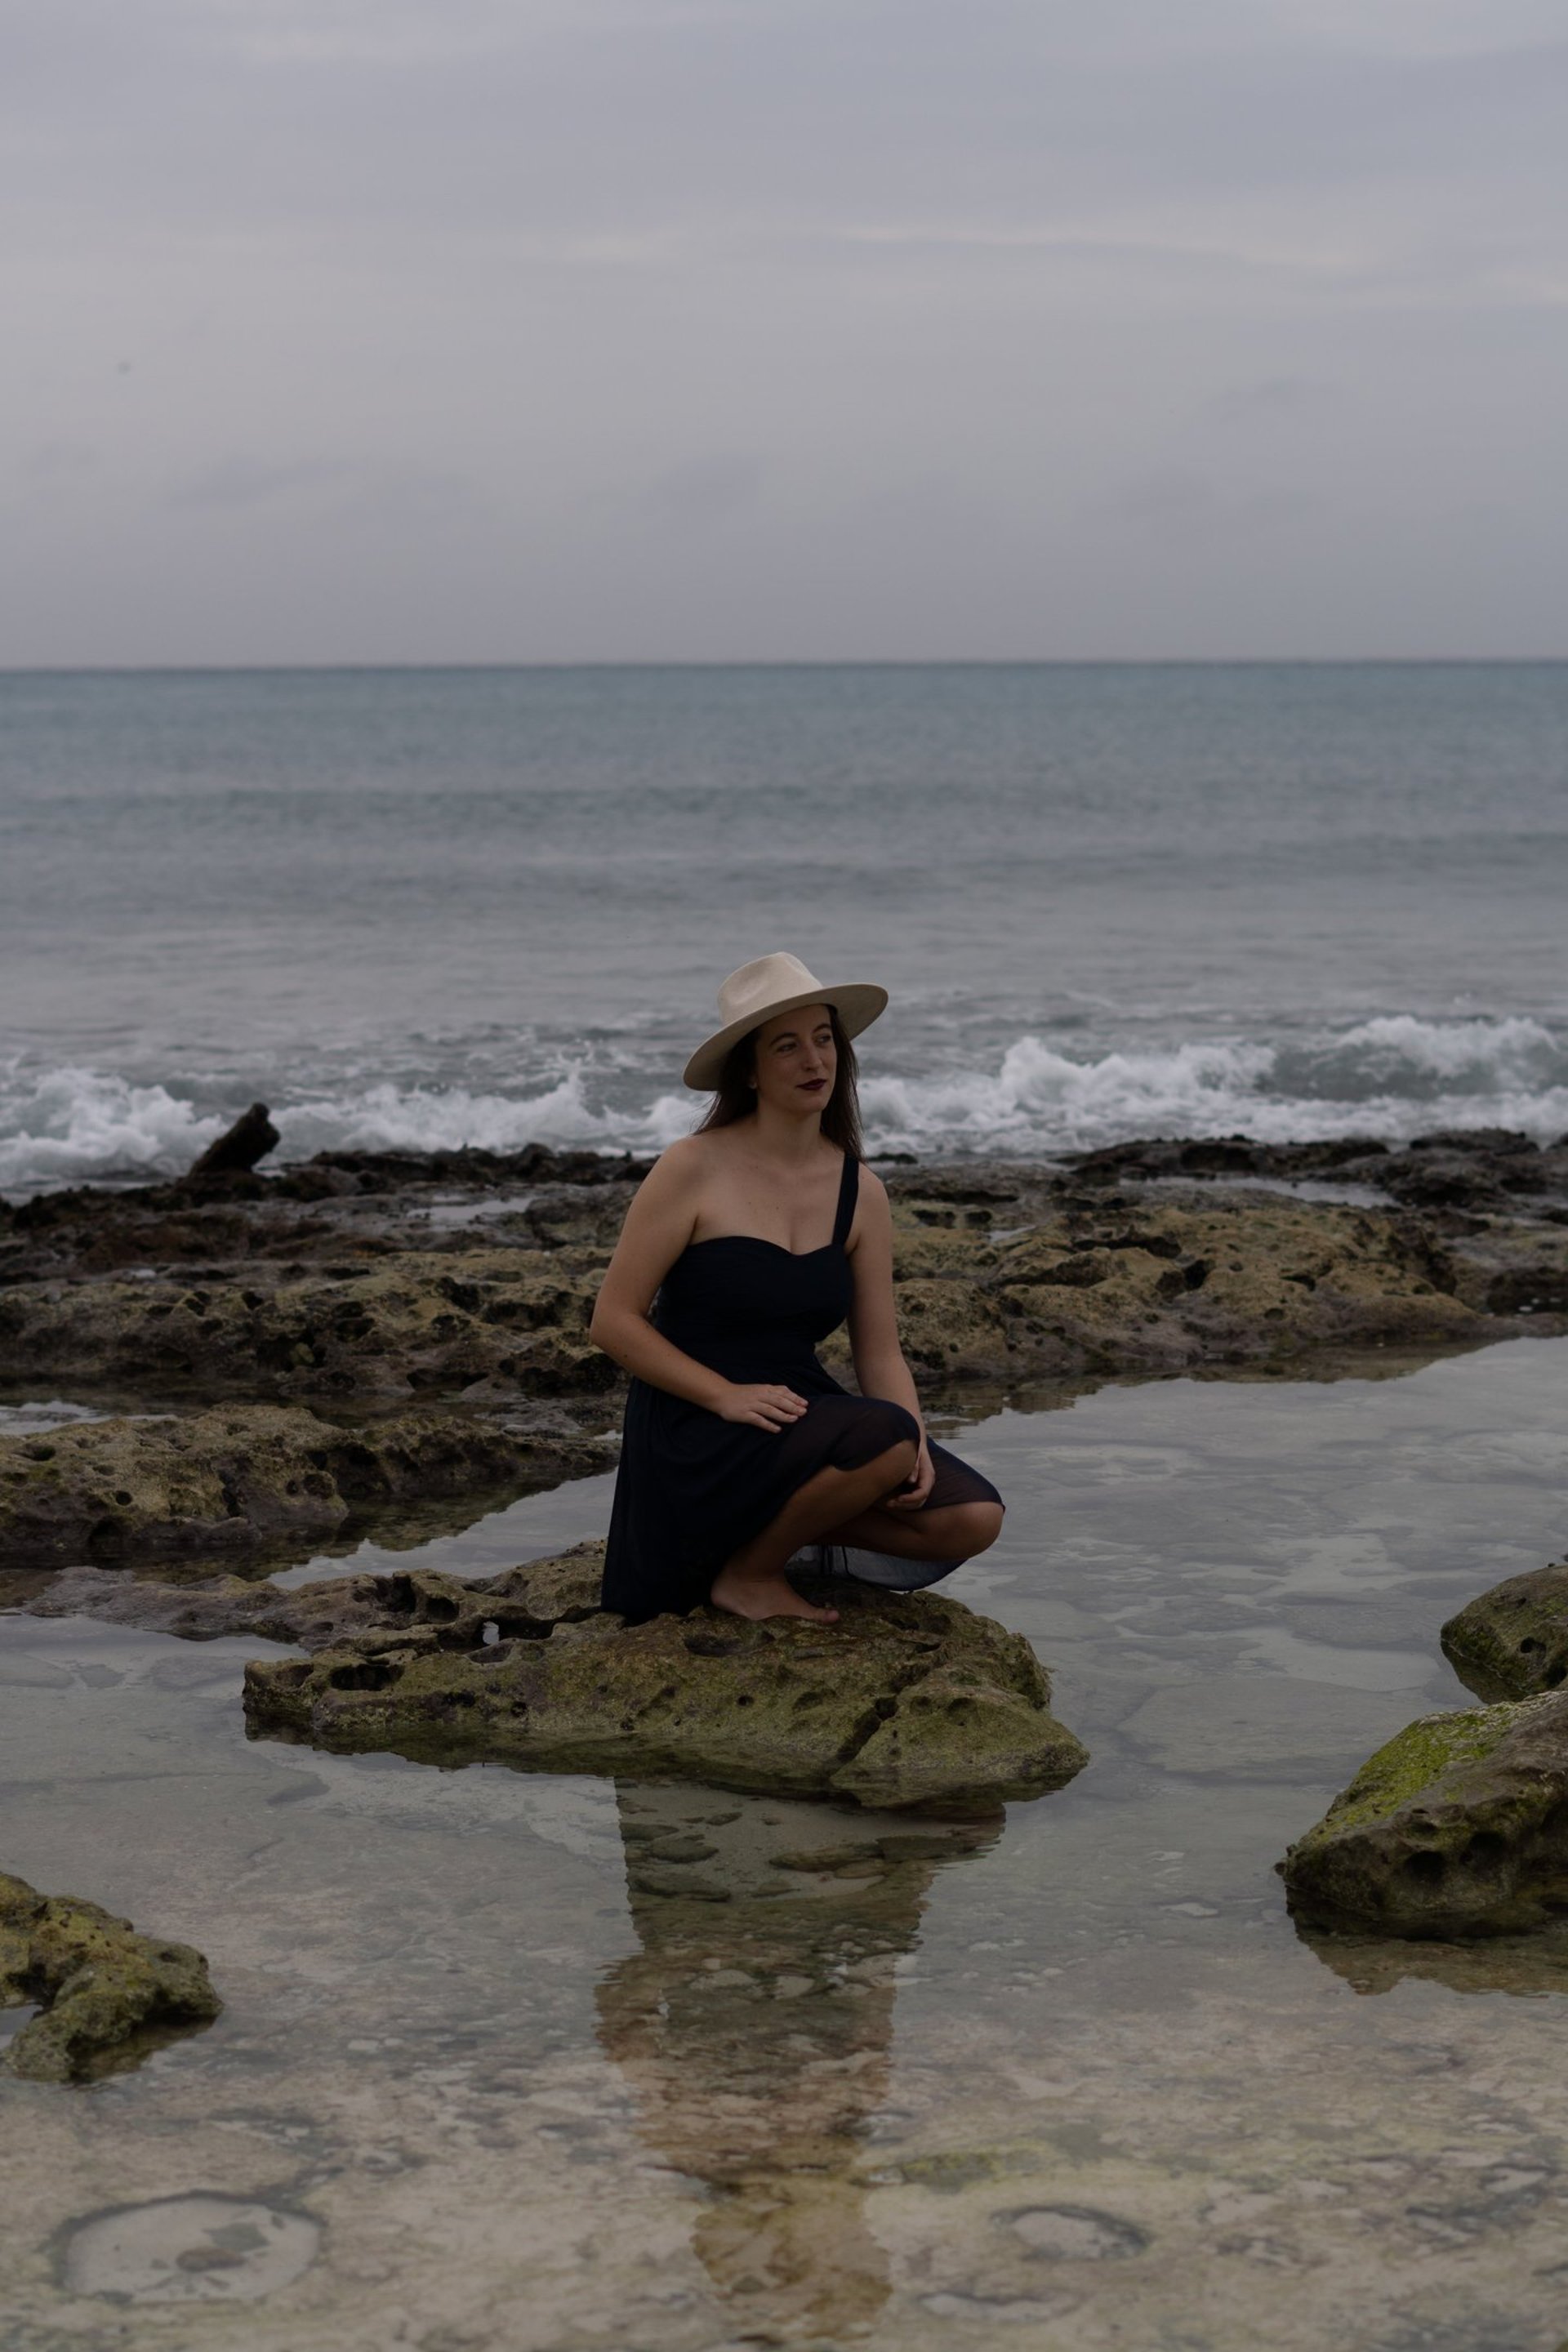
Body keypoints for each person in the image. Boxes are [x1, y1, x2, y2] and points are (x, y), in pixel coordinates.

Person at [590, 952, 1004, 1624]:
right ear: (750, 1071)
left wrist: (918, 1447)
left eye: (823, 1040)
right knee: (884, 1437)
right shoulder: (692, 1167)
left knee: (971, 1516)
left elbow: (880, 1353)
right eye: (787, 1045)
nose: (814, 1060)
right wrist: (724, 1395)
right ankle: (748, 1576)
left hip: (796, 1415)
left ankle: (762, 1534)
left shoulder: (860, 1190)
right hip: (695, 1421)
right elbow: (613, 1321)